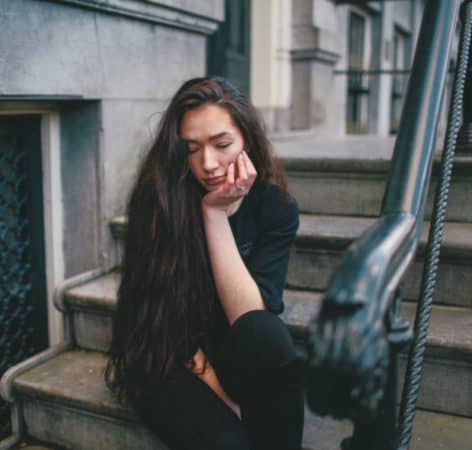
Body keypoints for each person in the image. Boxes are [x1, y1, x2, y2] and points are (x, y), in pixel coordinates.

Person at [105, 77, 304, 450]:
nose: (207, 163)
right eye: (192, 149)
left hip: (229, 345)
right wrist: (226, 402)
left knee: (266, 333)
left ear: (247, 139)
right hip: (164, 353)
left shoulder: (274, 208)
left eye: (222, 144)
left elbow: (252, 319)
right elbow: (163, 324)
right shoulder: (161, 201)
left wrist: (214, 216)